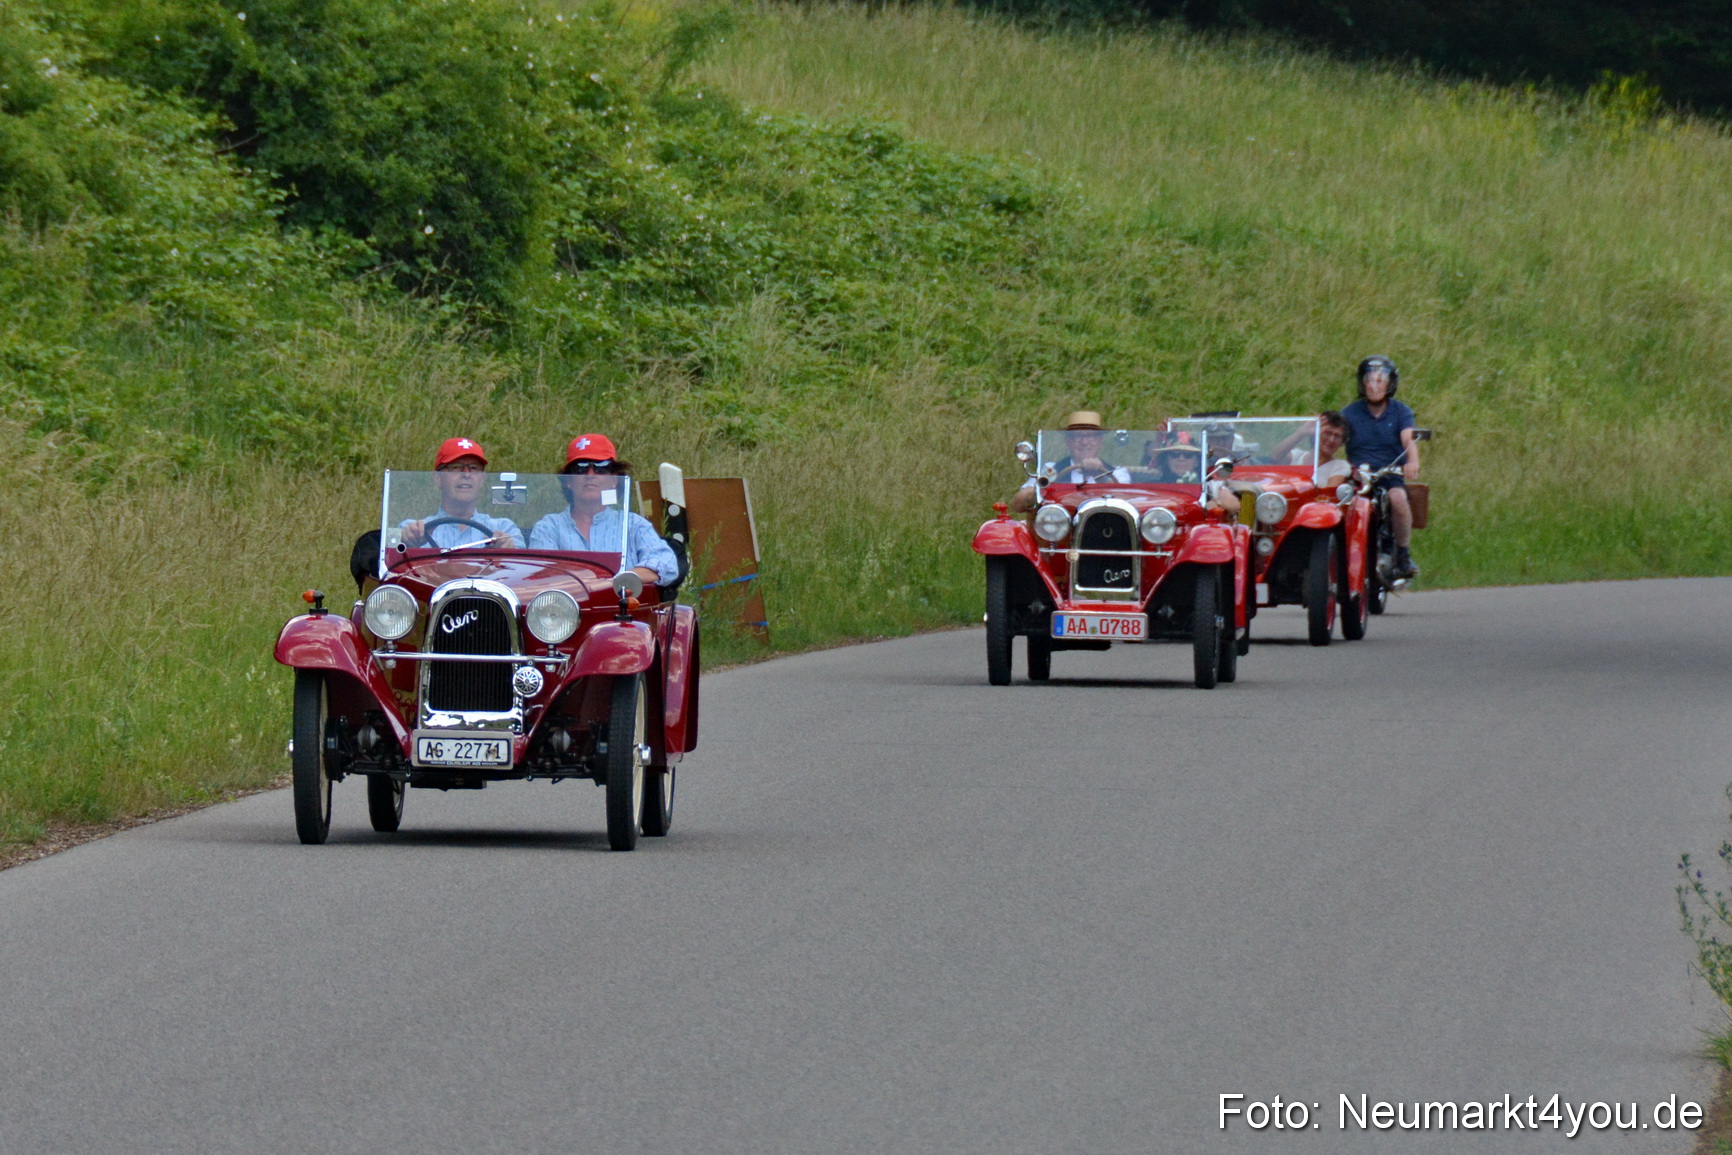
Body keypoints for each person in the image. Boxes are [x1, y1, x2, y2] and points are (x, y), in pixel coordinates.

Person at [527, 433, 680, 588]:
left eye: (600, 468)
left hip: (622, 608)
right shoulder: (548, 527)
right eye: (580, 469)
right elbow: (543, 576)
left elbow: (667, 564)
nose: (590, 475)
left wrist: (619, 581)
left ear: (614, 480)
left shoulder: (633, 524)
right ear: (568, 481)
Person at [1341, 357, 1420, 578]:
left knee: (1398, 499)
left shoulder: (1400, 412)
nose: (1374, 385)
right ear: (1362, 383)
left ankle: (1403, 553)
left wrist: (1412, 462)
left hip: (1389, 474)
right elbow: (1335, 438)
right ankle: (1337, 551)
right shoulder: (1349, 412)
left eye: (1380, 380)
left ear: (1390, 384)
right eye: (1369, 379)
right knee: (1339, 504)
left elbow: (1408, 439)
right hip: (1359, 477)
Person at [400, 437, 525, 549]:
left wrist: (507, 552)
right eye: (456, 467)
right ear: (438, 478)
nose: (466, 474)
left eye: (474, 468)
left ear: (482, 479)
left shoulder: (504, 529)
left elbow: (523, 569)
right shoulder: (415, 531)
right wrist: (409, 544)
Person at [1008, 411, 1130, 513]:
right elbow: (1017, 505)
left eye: (1091, 436)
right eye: (1077, 436)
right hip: (1060, 533)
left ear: (1100, 441)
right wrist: (1036, 491)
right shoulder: (1052, 470)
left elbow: (1127, 504)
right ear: (1067, 441)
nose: (1084, 442)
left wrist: (1100, 475)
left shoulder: (1118, 473)